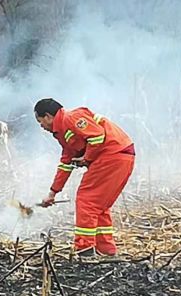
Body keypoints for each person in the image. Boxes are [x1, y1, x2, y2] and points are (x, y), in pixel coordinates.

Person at [35, 98, 135, 256]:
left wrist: (86, 158)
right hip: (121, 156)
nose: (42, 127)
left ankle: (84, 249)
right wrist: (53, 193)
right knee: (99, 206)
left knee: (86, 201)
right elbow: (66, 163)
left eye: (40, 122)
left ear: (48, 116)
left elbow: (97, 137)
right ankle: (106, 249)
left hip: (111, 155)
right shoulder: (63, 133)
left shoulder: (71, 118)